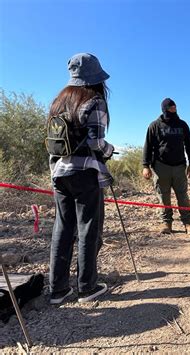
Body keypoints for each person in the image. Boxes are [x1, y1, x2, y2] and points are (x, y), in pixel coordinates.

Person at [48, 53, 114, 304]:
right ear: (95, 78)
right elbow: (96, 142)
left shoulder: (59, 101)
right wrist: (109, 151)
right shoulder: (94, 100)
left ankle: (58, 290)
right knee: (88, 228)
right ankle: (87, 287)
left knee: (62, 228)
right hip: (85, 172)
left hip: (60, 173)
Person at [142, 98, 190, 235]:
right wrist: (145, 165)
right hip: (161, 166)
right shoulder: (154, 125)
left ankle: (188, 223)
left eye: (175, 108)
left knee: (182, 196)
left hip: (179, 166)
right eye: (171, 108)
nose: (174, 110)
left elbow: (189, 145)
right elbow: (147, 146)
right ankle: (167, 223)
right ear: (165, 109)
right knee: (163, 196)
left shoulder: (182, 125)